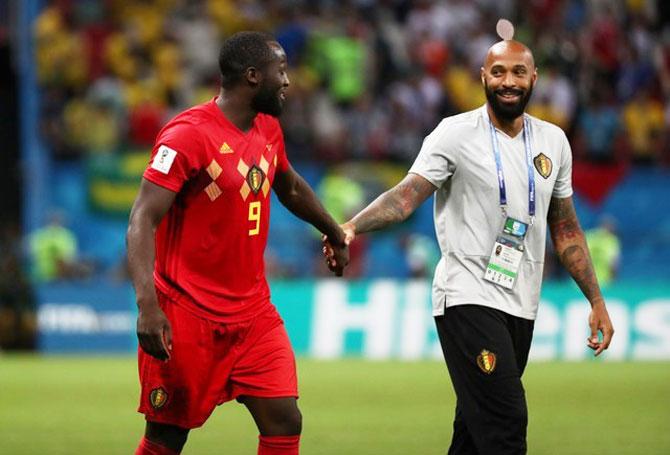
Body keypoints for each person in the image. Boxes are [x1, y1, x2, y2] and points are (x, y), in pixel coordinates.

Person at [324, 39, 614, 454]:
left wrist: (596, 299)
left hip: (522, 304)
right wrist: (351, 226)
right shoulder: (454, 134)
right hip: (467, 296)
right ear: (483, 78)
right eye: (498, 72)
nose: (508, 81)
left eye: (518, 72)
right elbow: (405, 197)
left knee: (474, 437)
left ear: (534, 78)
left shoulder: (554, 142)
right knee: (506, 424)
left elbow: (566, 228)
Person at [127, 31, 348, 455]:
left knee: (285, 418)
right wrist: (147, 305)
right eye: (280, 71)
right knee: (167, 438)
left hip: (253, 315)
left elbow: (290, 187)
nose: (287, 81)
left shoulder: (268, 127)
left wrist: (334, 231)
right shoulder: (187, 135)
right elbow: (142, 218)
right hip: (187, 313)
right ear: (252, 77)